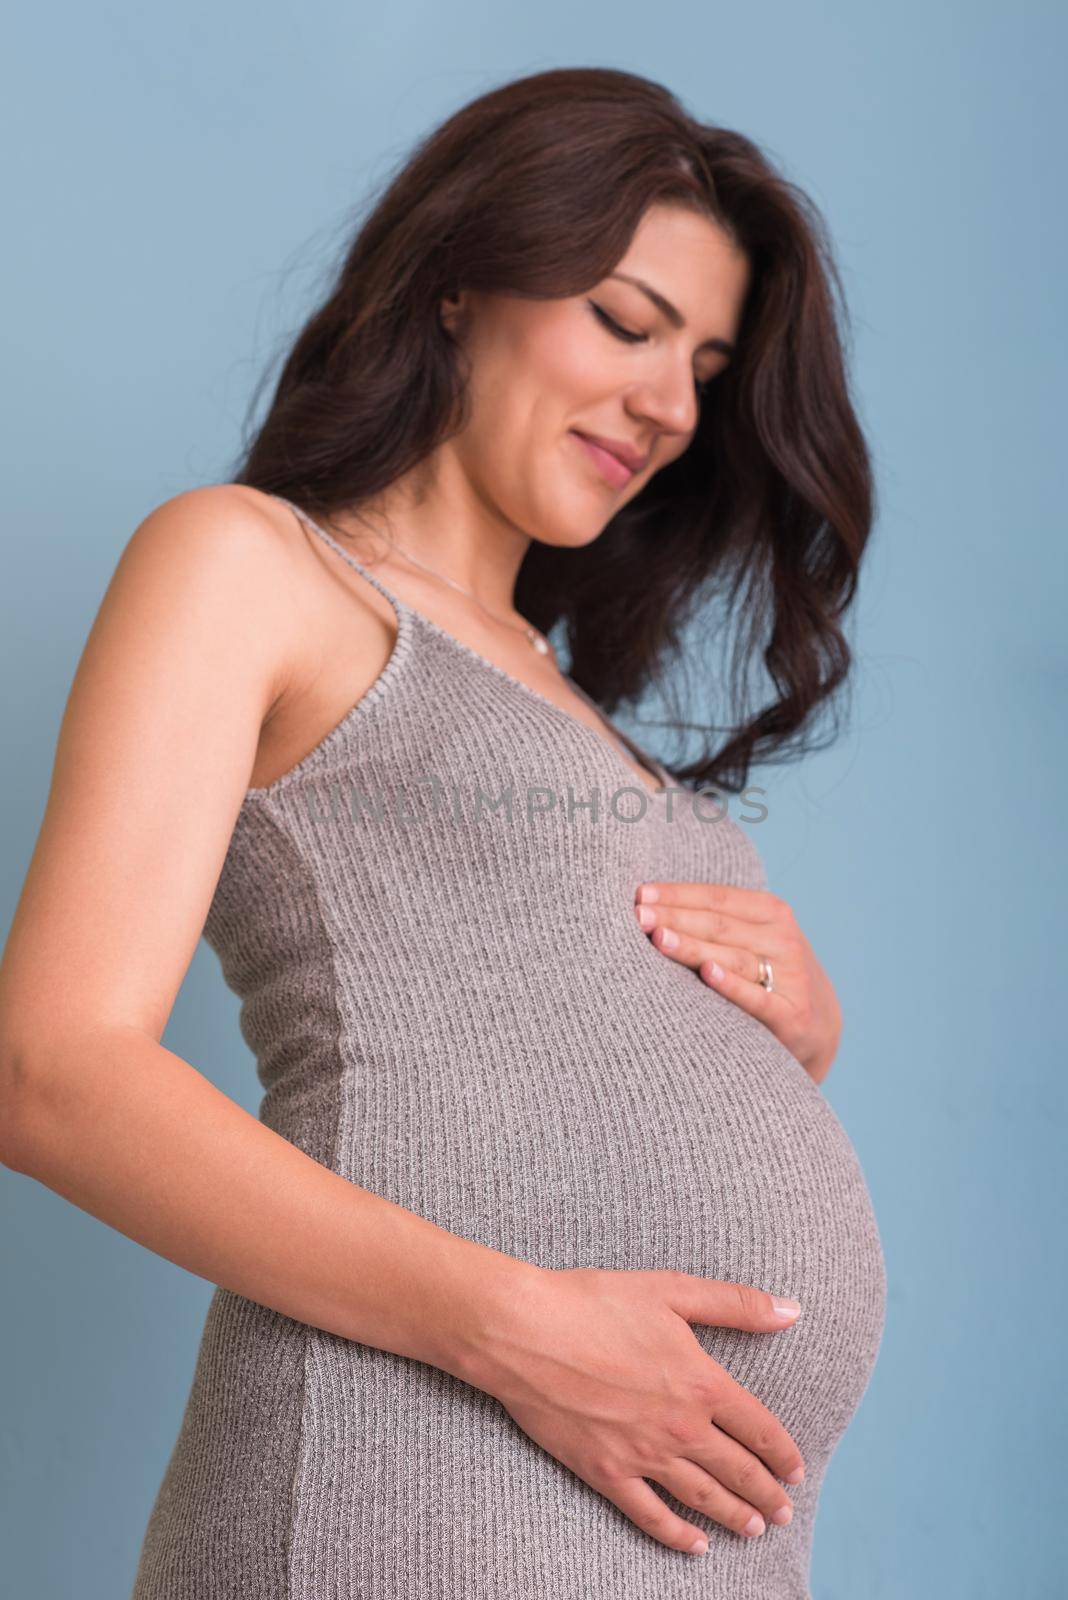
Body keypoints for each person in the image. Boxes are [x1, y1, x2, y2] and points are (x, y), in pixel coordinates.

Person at [0, 65, 886, 1598]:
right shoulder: (257, 566)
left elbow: (532, 1034)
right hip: (412, 1477)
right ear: (461, 284)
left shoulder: (570, 696)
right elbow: (46, 1070)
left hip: (697, 1532)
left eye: (708, 366)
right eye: (625, 321)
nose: (673, 407)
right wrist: (522, 1331)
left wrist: (785, 1043)